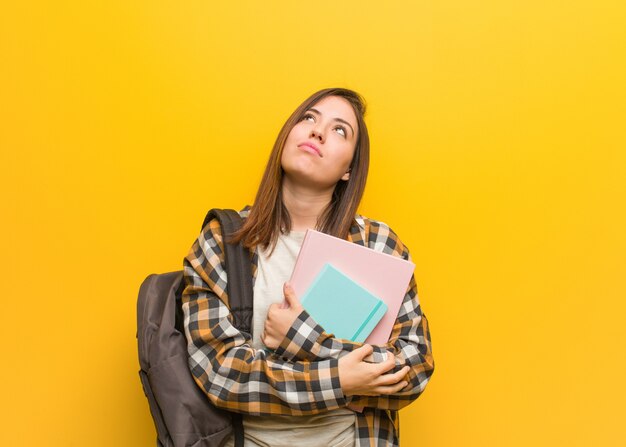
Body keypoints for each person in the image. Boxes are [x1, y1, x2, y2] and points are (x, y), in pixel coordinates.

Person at [181, 87, 434, 446]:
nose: (318, 131)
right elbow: (222, 375)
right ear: (288, 134)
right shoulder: (224, 241)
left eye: (339, 130)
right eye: (308, 118)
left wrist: (305, 338)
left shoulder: (379, 244)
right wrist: (343, 379)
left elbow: (415, 366)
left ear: (350, 168)